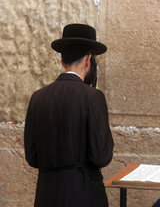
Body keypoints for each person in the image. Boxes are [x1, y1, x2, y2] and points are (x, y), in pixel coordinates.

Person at [24, 23, 114, 207]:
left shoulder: (37, 98)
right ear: (89, 59)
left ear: (62, 61)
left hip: (45, 195)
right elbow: (101, 156)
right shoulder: (93, 97)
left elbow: (32, 157)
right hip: (82, 195)